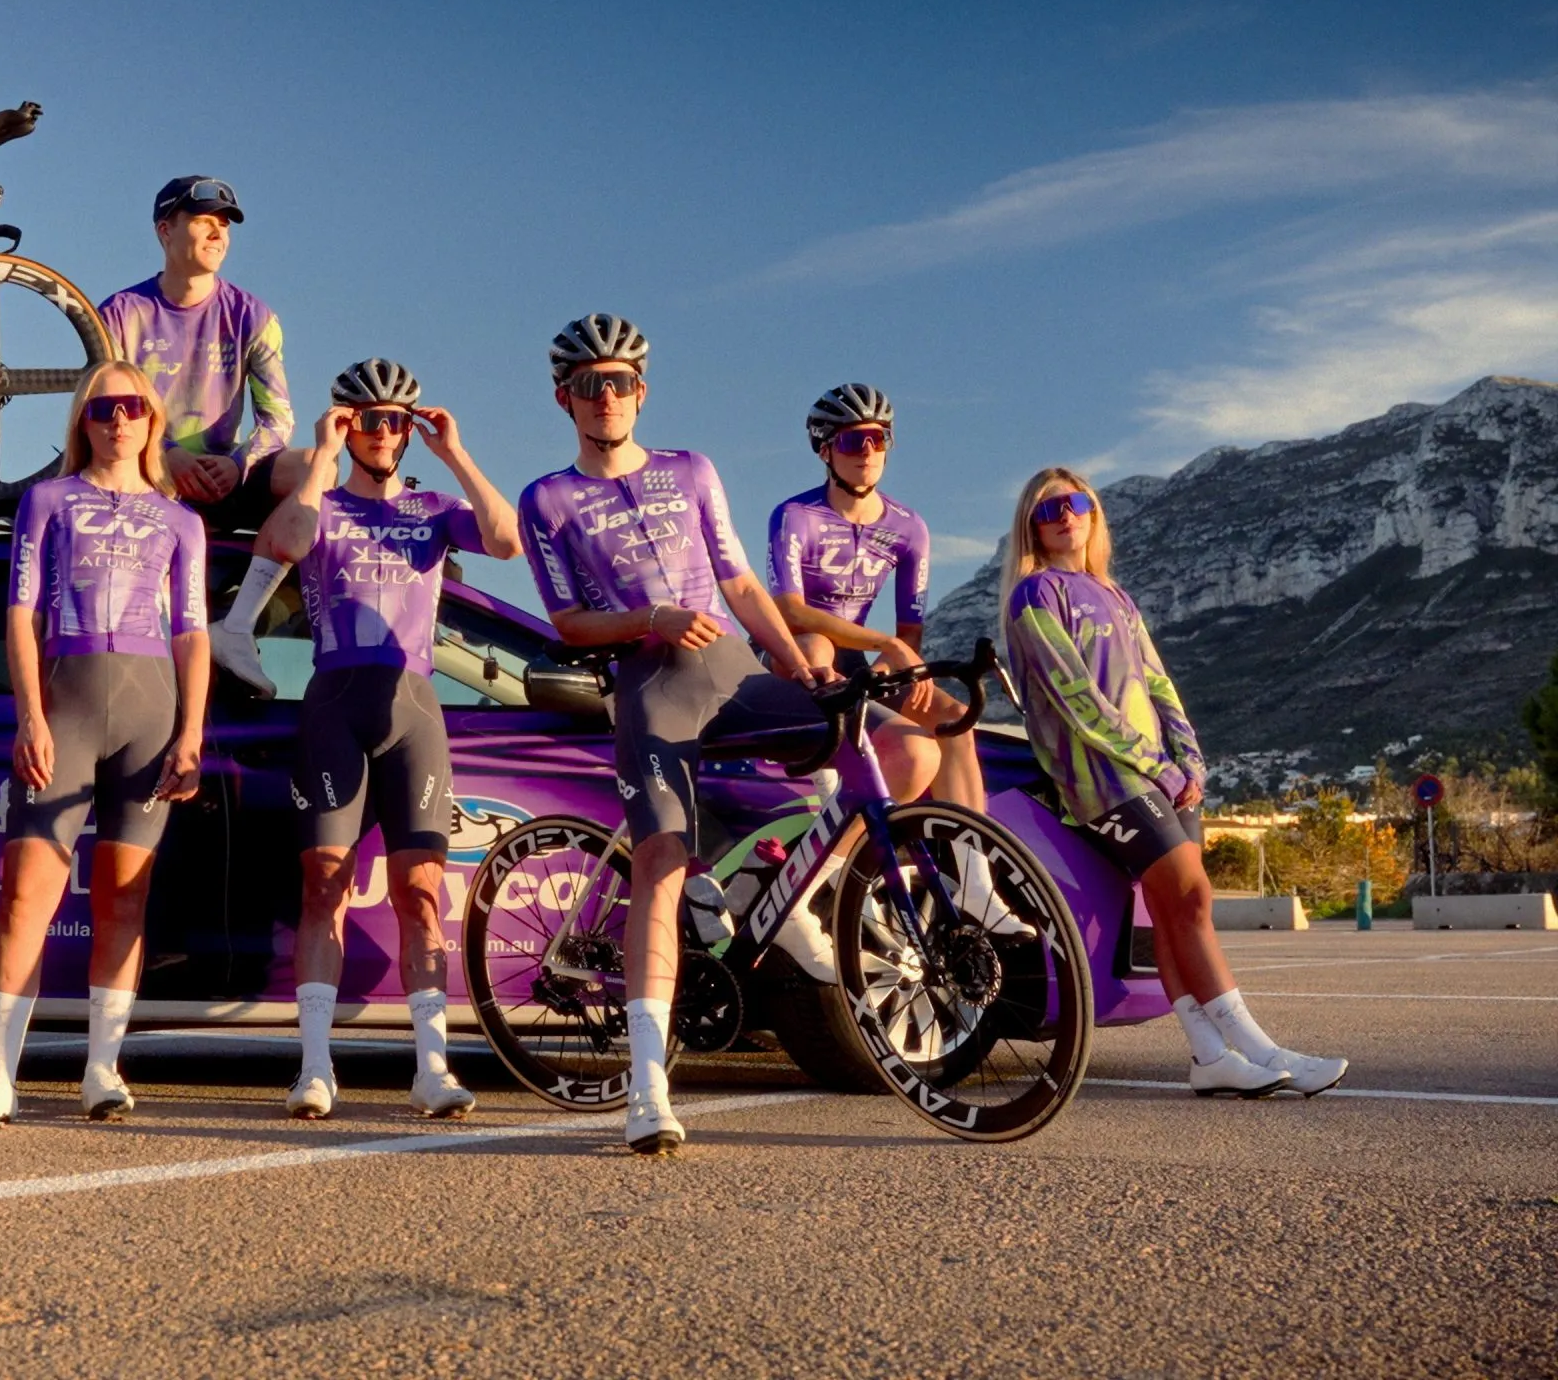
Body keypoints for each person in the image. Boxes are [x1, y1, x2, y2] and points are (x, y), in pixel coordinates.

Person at [519, 314, 943, 1156]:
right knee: (661, 864)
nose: (607, 397)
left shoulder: (692, 470)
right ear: (565, 398)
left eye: (621, 382)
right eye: (590, 385)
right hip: (653, 688)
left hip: (736, 674)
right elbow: (567, 621)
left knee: (907, 747)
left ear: (641, 392)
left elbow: (741, 584)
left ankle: (794, 896)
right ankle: (648, 1088)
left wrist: (799, 665)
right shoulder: (548, 498)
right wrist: (652, 619)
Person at [1002, 468, 1346, 1097]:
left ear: (1093, 513)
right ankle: (1261, 1048)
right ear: (1032, 525)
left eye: (1075, 503)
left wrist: (1190, 760)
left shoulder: (1114, 594)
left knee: (1170, 909)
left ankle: (1209, 1056)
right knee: (1191, 896)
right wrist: (1154, 764)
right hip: (1104, 778)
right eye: (1048, 509)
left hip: (1160, 773)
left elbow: (1157, 681)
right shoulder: (1035, 596)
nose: (1064, 515)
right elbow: (1075, 698)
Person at [263, 359, 523, 1121]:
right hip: (334, 701)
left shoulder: (435, 508)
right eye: (368, 420)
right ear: (348, 425)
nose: (383, 432)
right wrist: (321, 453)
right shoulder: (324, 503)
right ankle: (315, 1069)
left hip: (413, 707)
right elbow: (284, 543)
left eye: (395, 420)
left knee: (420, 892)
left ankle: (432, 1069)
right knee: (325, 886)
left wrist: (455, 453)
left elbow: (506, 541)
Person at [0, 360, 210, 1126]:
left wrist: (192, 731)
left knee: (124, 899)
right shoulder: (49, 501)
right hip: (64, 705)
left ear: (151, 419)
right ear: (82, 422)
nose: (117, 419)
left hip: (149, 710)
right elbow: (20, 615)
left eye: (131, 406)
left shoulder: (180, 520)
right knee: (25, 896)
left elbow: (192, 632)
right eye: (102, 408)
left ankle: (103, 1069)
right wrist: (30, 714)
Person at [767, 384, 1023, 934]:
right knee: (817, 645)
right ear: (824, 449)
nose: (866, 450)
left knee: (954, 720)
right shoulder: (795, 515)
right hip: (791, 652)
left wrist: (884, 668)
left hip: (860, 655)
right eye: (852, 440)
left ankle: (976, 884)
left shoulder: (908, 528)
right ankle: (831, 805)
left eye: (878, 438)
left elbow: (910, 636)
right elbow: (788, 609)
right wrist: (880, 645)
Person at [97, 176, 305, 698]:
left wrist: (238, 463)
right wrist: (163, 454)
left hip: (224, 475)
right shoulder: (120, 313)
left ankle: (236, 627)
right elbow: (101, 409)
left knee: (311, 468)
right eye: (203, 221)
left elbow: (279, 418)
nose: (218, 234)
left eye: (225, 225)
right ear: (165, 230)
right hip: (148, 477)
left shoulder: (254, 316)